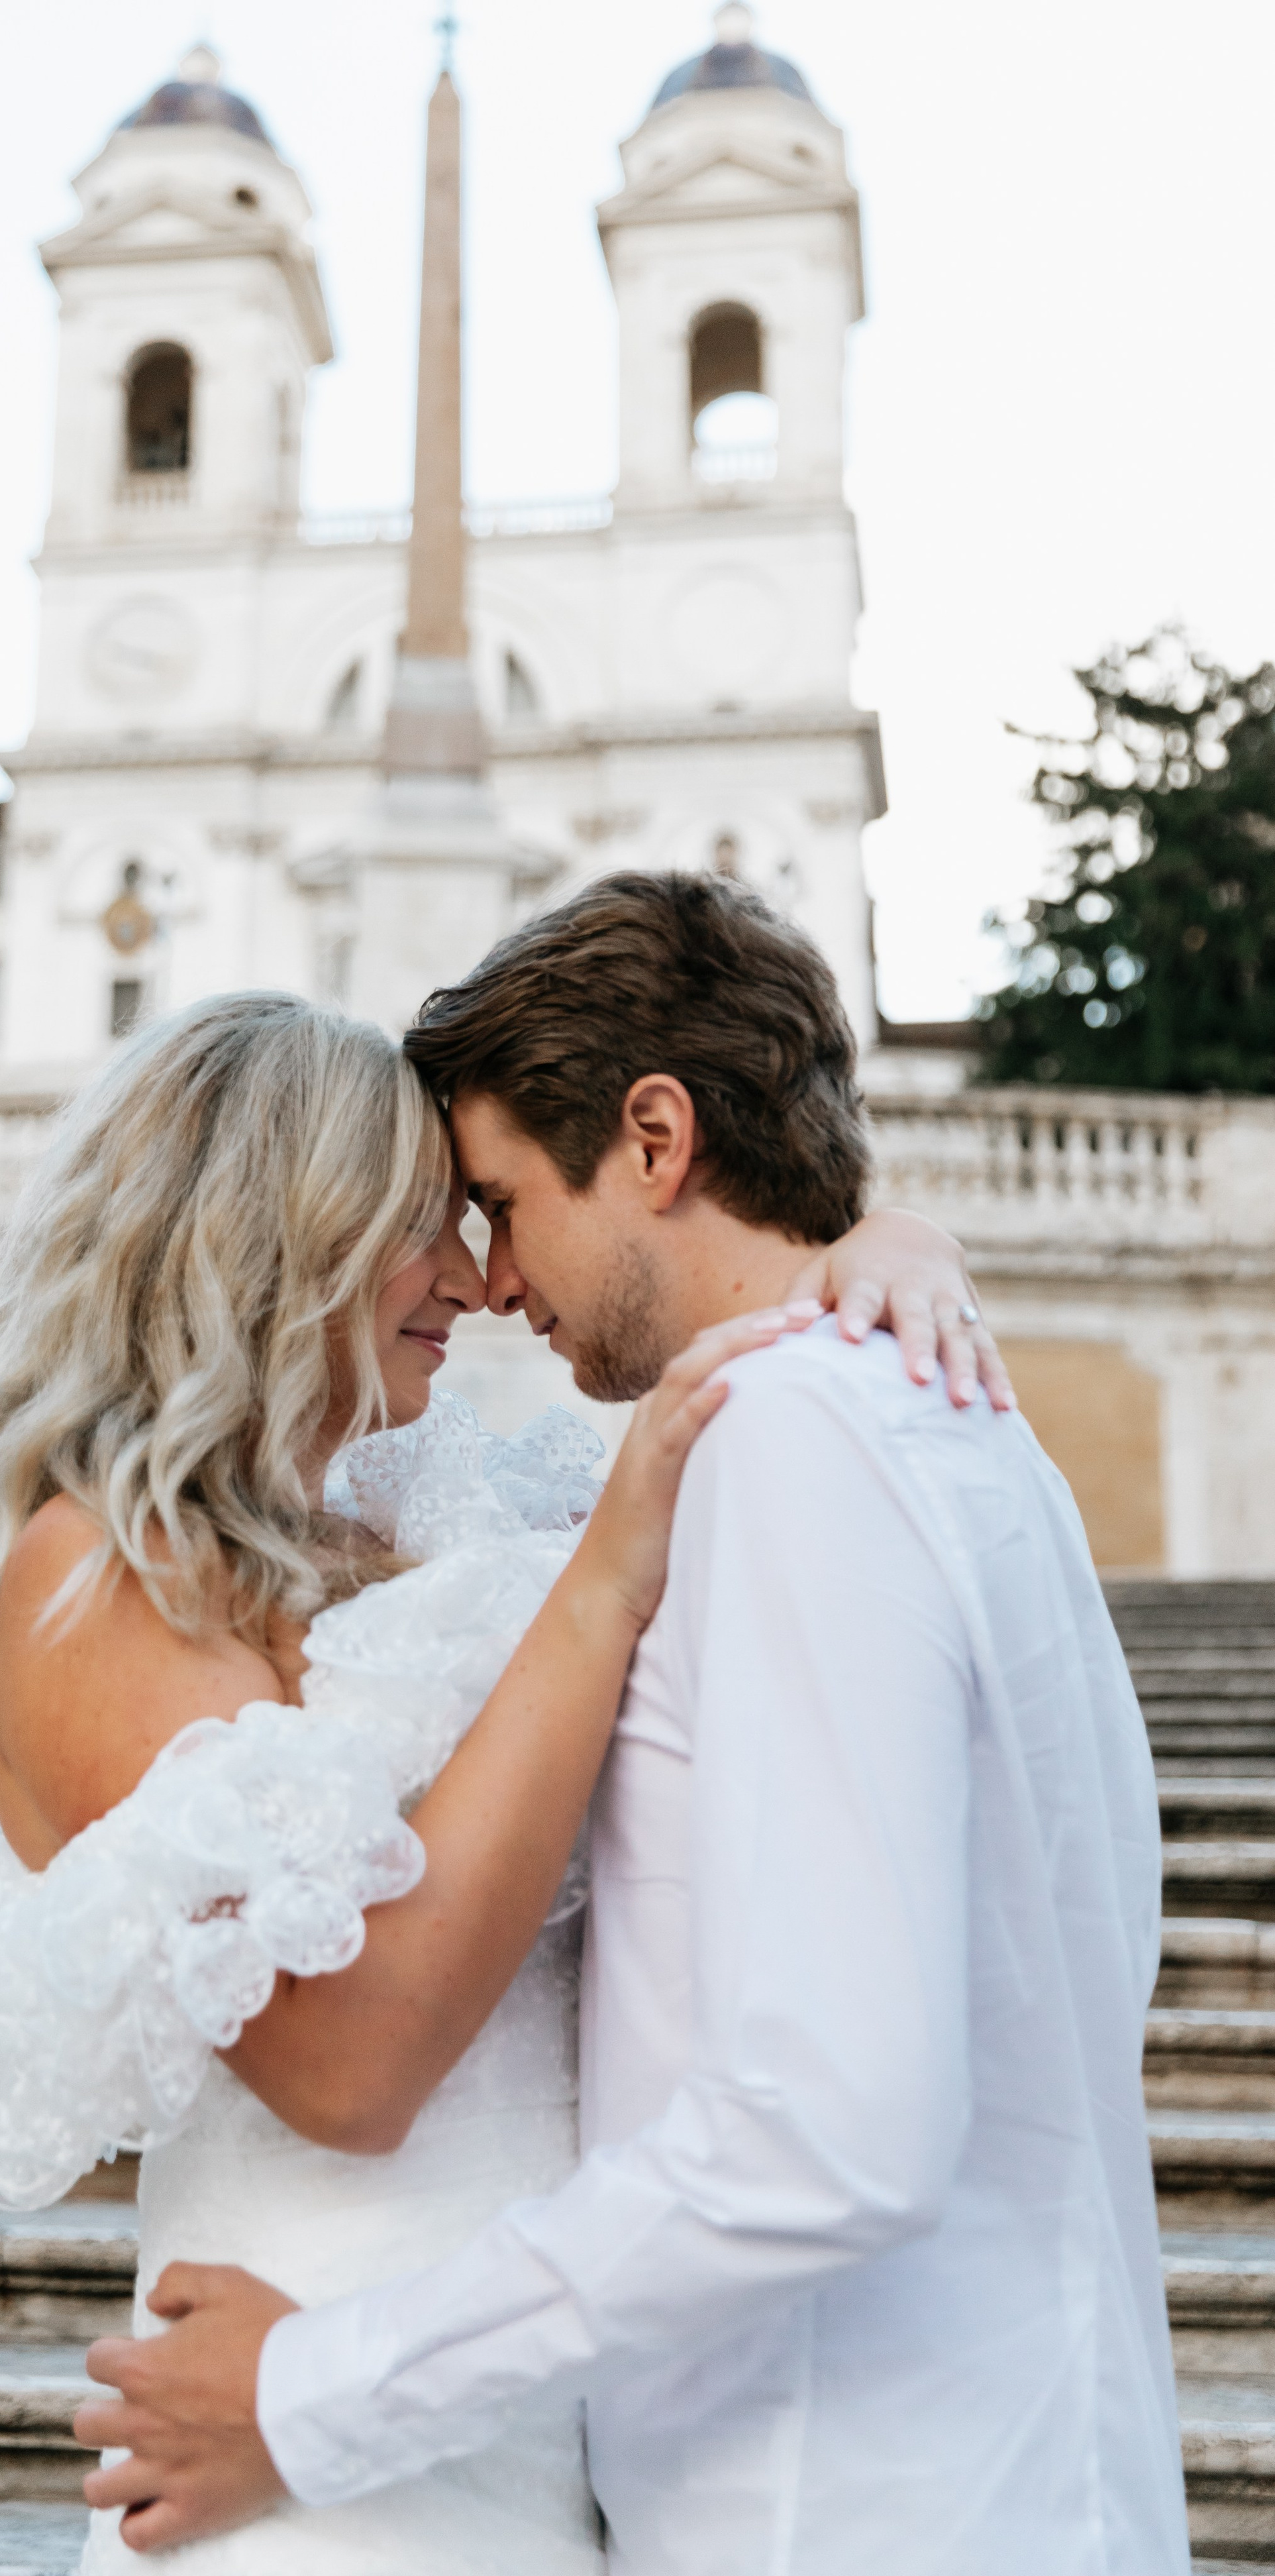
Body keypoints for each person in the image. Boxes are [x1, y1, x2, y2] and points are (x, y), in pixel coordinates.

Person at [76, 875, 1190, 2575]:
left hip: (844, 2512)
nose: (489, 1274)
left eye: (505, 1199)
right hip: (997, 2471)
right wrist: (883, 1242)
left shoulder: (797, 1447)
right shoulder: (963, 1431)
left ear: (654, 1137)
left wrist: (315, 2394)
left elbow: (828, 2131)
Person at [0, 973, 1004, 2575]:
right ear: (279, 1233)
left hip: (514, 2415)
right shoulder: (96, 1576)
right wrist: (601, 1583)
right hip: (306, 2460)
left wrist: (875, 1254)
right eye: (422, 1222)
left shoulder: (415, 1514)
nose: (473, 1279)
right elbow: (354, 2066)